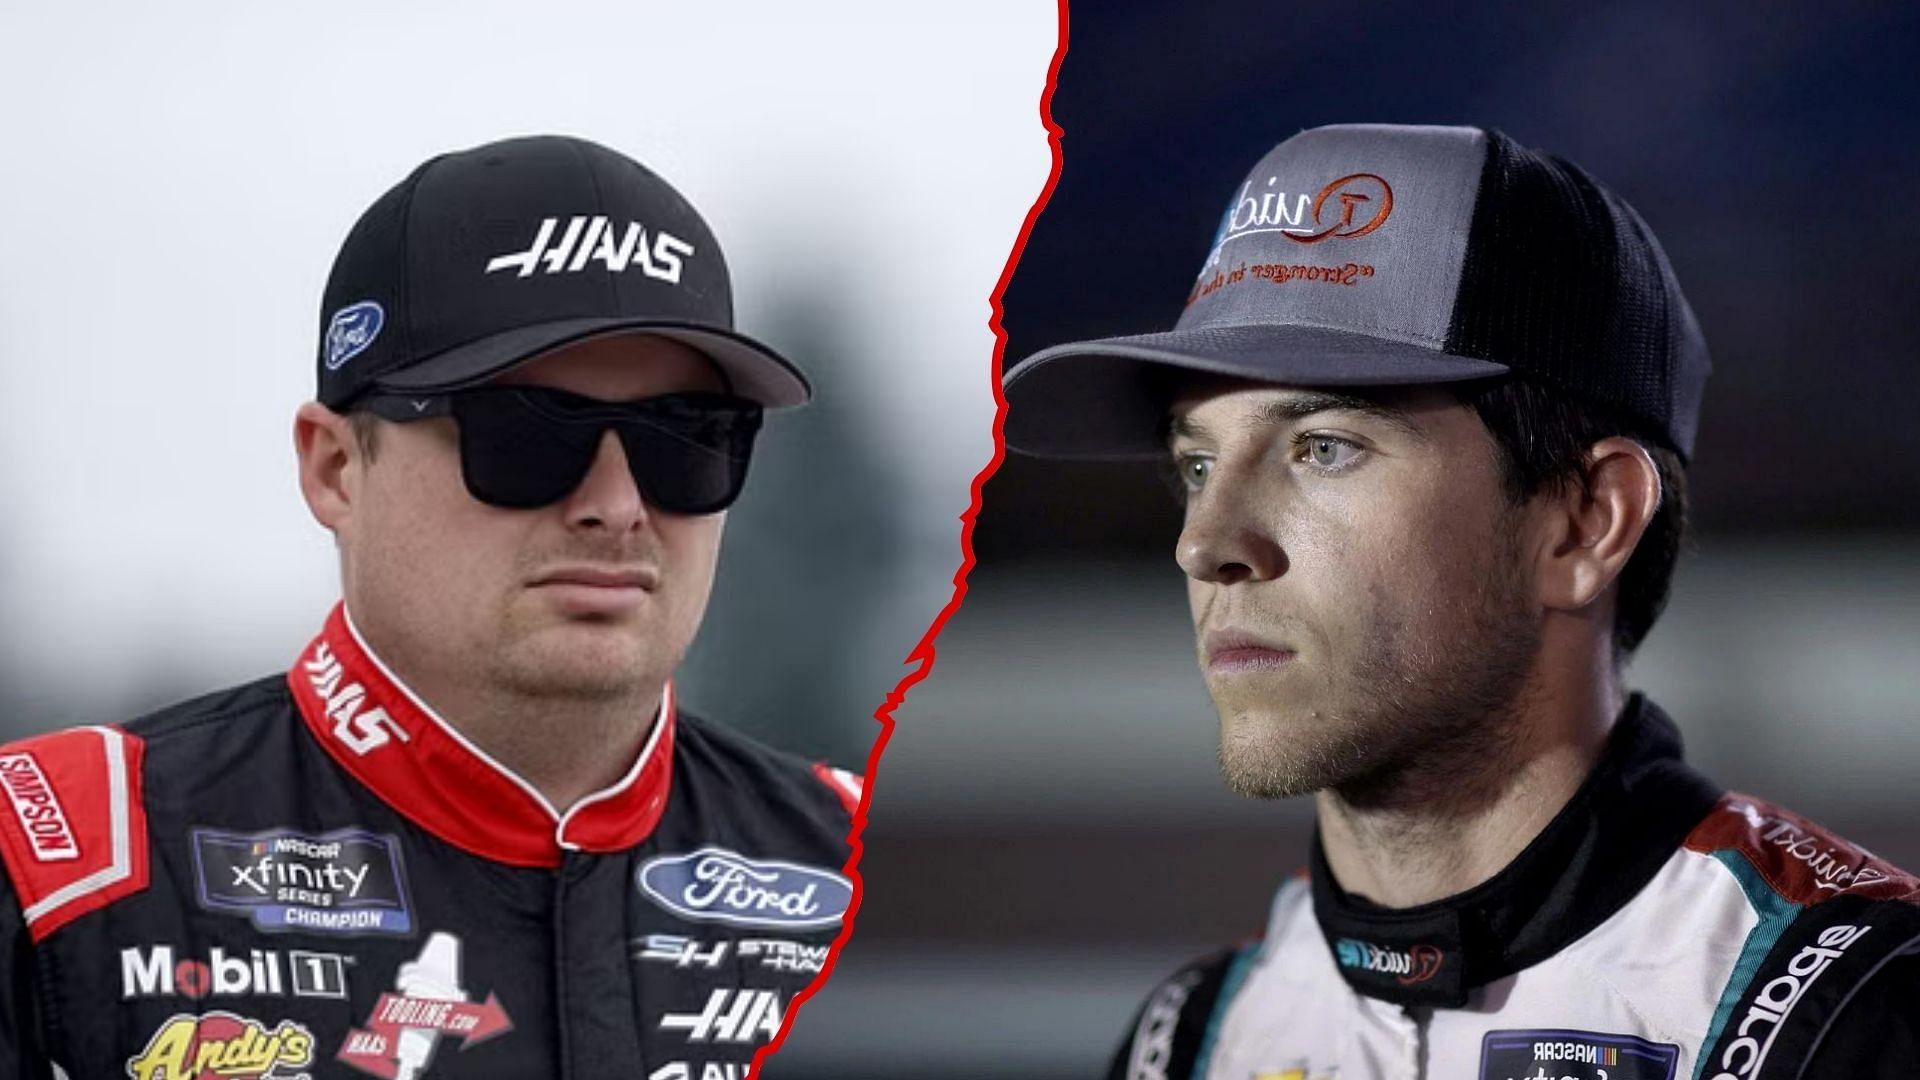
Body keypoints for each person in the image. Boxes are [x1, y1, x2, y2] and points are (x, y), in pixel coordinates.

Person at [1002, 124, 1920, 1080]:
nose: (1205, 544)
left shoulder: (1851, 1018)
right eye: (1196, 463)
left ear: (1585, 523)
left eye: (1323, 448)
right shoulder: (1188, 1043)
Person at [0, 135, 864, 1080]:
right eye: (526, 435)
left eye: (687, 440)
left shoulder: (864, 868)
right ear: (335, 470)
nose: (617, 505)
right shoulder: (57, 859)